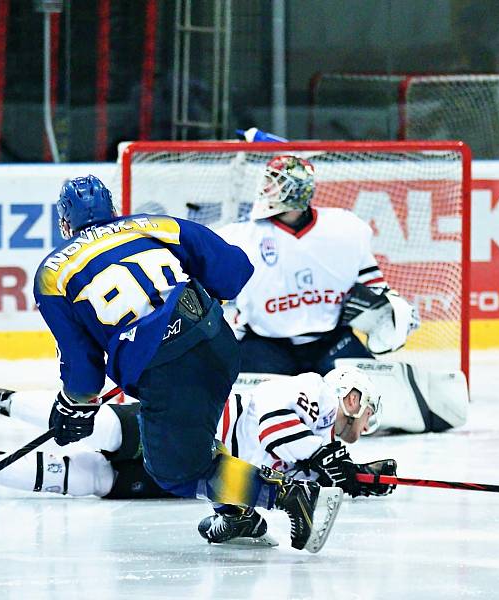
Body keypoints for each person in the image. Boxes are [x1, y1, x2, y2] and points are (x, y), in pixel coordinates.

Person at [19, 174, 344, 553]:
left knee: (176, 471)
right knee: (194, 444)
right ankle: (236, 515)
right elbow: (233, 269)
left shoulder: (51, 274)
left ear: (65, 222)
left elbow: (82, 366)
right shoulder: (153, 225)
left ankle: (288, 496)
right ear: (113, 209)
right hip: (219, 343)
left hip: (168, 371)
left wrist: (73, 404)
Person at [0, 367, 396, 546]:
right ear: (352, 397)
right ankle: (2, 401)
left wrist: (356, 477)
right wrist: (323, 456)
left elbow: (277, 471)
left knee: (94, 480)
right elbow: (269, 431)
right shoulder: (312, 391)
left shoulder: (315, 449)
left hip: (196, 475)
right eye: (363, 414)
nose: (359, 431)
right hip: (192, 427)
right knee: (101, 428)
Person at [216, 151, 421, 377]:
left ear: (296, 191)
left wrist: (395, 309)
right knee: (239, 399)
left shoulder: (343, 227)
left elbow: (374, 284)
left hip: (331, 341)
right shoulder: (243, 235)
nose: (267, 189)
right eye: (268, 181)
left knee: (373, 392)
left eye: (276, 183)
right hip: (266, 344)